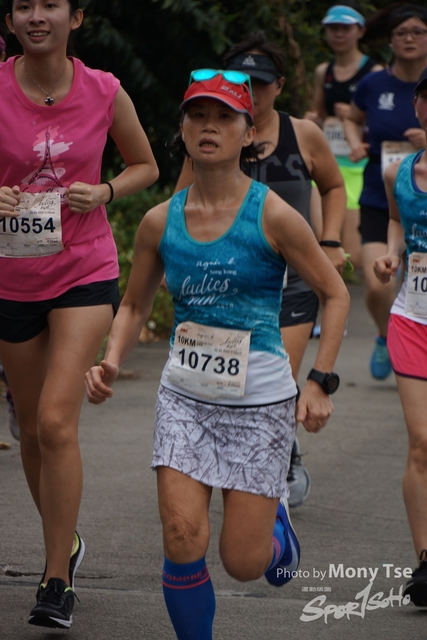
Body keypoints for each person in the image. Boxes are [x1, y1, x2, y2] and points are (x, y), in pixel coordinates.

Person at [85, 69, 350, 639]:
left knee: (244, 563)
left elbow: (335, 294)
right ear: (182, 129)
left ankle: (275, 528)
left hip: (259, 404)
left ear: (247, 134)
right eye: (198, 115)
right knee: (182, 538)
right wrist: (112, 359)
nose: (209, 126)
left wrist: (319, 380)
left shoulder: (273, 215)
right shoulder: (160, 222)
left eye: (225, 117)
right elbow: (134, 305)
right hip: (184, 401)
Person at [0, 0, 158, 629]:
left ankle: (56, 581)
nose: (36, 16)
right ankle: (64, 541)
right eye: (23, 6)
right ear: (10, 21)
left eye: (50, 5)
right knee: (31, 431)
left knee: (55, 420)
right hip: (13, 275)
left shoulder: (104, 90)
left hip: (83, 272)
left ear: (77, 18)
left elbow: (147, 165)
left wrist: (107, 190)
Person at [175, 31, 348, 508]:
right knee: (229, 383)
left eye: (262, 82)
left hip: (291, 287)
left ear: (280, 85)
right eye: (242, 81)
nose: (252, 90)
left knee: (276, 380)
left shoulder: (303, 134)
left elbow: (334, 187)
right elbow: (180, 205)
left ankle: (274, 467)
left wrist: (330, 240)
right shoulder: (209, 140)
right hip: (225, 290)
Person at [344, 3, 427, 379]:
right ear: (390, 40)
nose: (409, 39)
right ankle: (385, 334)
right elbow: (352, 119)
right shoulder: (374, 84)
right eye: (401, 33)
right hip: (383, 196)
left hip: (423, 201)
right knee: (378, 284)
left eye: (418, 32)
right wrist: (354, 143)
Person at [374, 67, 427, 606]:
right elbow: (396, 221)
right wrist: (393, 254)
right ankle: (426, 561)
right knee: (422, 441)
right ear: (418, 107)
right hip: (413, 317)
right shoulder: (401, 172)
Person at [305, 1, 382, 270]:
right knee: (321, 243)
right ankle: (331, 292)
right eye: (333, 28)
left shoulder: (374, 73)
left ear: (360, 31)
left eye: (345, 28)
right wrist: (313, 119)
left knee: (354, 255)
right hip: (326, 164)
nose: (338, 34)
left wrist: (356, 115)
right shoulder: (323, 71)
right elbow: (319, 112)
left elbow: (385, 121)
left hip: (358, 167)